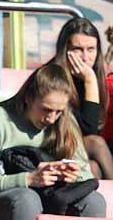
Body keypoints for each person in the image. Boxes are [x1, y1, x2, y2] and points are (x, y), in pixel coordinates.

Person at [0, 64, 106, 220]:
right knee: (27, 199)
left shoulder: (65, 121)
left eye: (59, 111)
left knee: (95, 201)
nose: (52, 118)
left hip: (53, 197)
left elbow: (85, 175)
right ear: (28, 98)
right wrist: (29, 178)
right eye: (46, 109)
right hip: (6, 201)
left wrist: (70, 174)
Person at [47, 18, 113, 179]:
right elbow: (89, 132)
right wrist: (90, 80)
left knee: (93, 168)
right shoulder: (52, 77)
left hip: (78, 149)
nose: (85, 57)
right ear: (65, 50)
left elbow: (96, 126)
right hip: (50, 144)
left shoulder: (95, 76)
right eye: (78, 49)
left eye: (91, 49)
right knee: (96, 143)